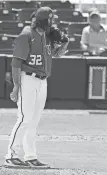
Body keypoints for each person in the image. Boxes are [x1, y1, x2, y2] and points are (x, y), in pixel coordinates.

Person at [4, 6, 69, 168]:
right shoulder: (26, 35)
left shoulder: (46, 36)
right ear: (41, 21)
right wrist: (16, 87)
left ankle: (30, 156)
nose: (52, 24)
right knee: (25, 119)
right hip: (28, 79)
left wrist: (64, 44)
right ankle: (11, 155)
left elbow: (56, 54)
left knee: (33, 121)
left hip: (42, 81)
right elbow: (16, 63)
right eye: (49, 21)